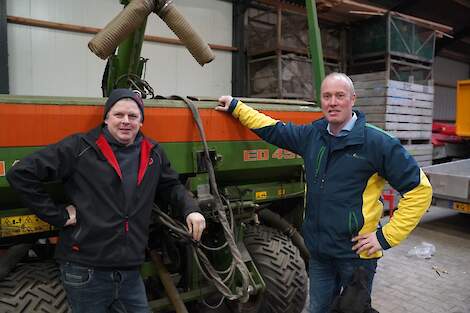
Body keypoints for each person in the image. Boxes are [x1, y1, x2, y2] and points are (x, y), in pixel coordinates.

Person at [215, 72, 432, 313]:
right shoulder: (312, 136)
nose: (333, 102)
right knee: (318, 309)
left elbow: (420, 191)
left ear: (353, 99)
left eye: (340, 96)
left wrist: (385, 237)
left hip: (356, 255)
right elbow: (273, 129)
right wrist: (236, 106)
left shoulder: (377, 143)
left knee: (353, 309)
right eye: (327, 96)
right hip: (319, 253)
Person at [7, 88, 206, 313]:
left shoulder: (153, 152)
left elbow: (171, 186)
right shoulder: (79, 148)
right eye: (118, 115)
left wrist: (191, 209)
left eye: (133, 116)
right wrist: (58, 216)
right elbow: (20, 173)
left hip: (130, 270)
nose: (125, 121)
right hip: (86, 270)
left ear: (141, 121)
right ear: (106, 117)